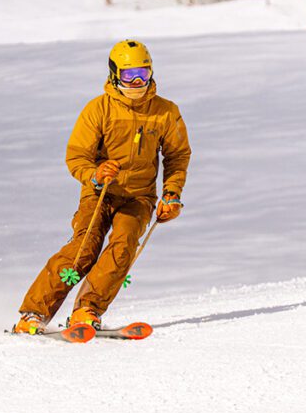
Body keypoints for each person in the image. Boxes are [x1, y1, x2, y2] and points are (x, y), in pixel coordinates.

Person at [13, 39, 192, 334]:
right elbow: (76, 156)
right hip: (99, 193)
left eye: (143, 75)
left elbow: (177, 155)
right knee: (83, 251)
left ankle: (88, 310)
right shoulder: (98, 109)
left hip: (139, 197)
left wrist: (172, 194)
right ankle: (34, 312)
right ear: (113, 75)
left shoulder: (166, 112)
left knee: (122, 250)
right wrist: (95, 173)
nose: (136, 83)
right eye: (128, 76)